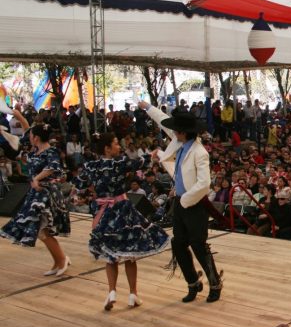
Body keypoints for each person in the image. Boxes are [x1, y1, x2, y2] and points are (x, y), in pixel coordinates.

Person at [73, 133, 169, 310]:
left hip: (103, 212)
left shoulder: (90, 165)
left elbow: (78, 184)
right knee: (130, 255)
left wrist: (93, 191)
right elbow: (139, 162)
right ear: (107, 148)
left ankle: (112, 292)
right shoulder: (118, 162)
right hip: (122, 210)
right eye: (116, 144)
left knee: (111, 255)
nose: (120, 146)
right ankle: (133, 294)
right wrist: (153, 153)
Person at [141, 101, 223, 303]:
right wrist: (148, 107)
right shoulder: (179, 142)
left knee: (198, 245)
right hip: (180, 202)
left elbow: (204, 184)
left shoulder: (199, 152)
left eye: (177, 129)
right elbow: (163, 122)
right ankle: (193, 282)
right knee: (178, 244)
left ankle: (215, 283)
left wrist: (185, 199)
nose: (173, 131)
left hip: (193, 204)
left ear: (184, 132)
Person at [1, 122, 69, 276]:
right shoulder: (34, 152)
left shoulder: (50, 152)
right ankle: (59, 260)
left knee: (43, 230)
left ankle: (62, 259)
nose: (29, 137)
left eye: (31, 135)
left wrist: (37, 179)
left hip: (46, 194)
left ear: (36, 138)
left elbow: (52, 167)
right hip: (36, 193)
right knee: (42, 231)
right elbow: (24, 129)